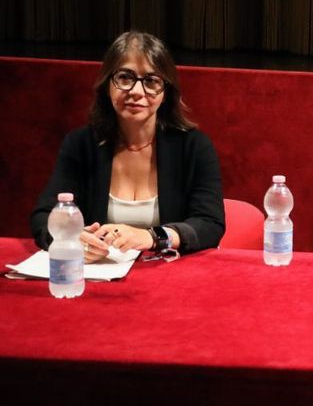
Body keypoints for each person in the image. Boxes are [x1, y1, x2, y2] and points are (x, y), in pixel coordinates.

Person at [31, 31, 225, 260]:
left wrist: (152, 237)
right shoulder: (80, 145)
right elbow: (44, 216)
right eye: (125, 77)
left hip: (168, 273)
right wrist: (72, 238)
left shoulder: (194, 147)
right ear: (108, 85)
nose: (136, 91)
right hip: (98, 273)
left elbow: (210, 224)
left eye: (151, 81)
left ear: (165, 92)